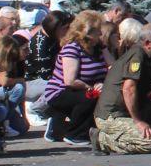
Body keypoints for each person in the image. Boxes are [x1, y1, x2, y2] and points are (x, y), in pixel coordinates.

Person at [93, 19, 151, 155]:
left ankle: (148, 135)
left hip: (132, 109)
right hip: (112, 114)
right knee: (148, 145)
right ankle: (101, 140)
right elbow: (128, 89)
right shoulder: (137, 55)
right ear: (148, 43)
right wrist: (138, 121)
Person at [37, 9, 111, 145]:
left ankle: (58, 126)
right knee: (91, 97)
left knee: (99, 96)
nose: (101, 34)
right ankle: (75, 135)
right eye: (97, 31)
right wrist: (92, 88)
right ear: (87, 32)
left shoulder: (97, 48)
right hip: (61, 91)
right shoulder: (72, 48)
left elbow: (112, 67)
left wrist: (104, 48)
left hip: (82, 89)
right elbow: (70, 81)